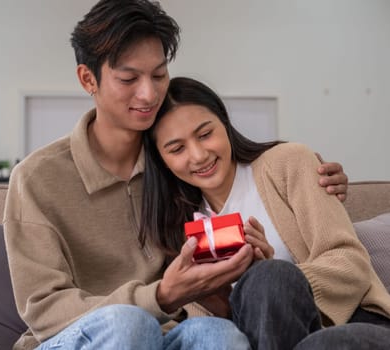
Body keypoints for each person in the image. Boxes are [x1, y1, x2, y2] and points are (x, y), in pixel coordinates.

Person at [3, 1, 349, 349]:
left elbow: (240, 180)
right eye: (128, 78)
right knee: (129, 326)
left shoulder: (174, 167)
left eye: (158, 75)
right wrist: (161, 296)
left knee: (221, 337)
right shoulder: (35, 179)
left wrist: (310, 178)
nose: (149, 94)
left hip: (166, 334)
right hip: (76, 337)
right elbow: (43, 308)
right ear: (87, 78)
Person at [139, 76, 390, 350]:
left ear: (224, 123)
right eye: (177, 149)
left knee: (276, 286)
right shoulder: (179, 231)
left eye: (205, 134)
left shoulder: (287, 163)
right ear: (161, 159)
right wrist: (228, 298)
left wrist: (279, 285)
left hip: (355, 325)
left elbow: (351, 262)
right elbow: (217, 333)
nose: (198, 155)